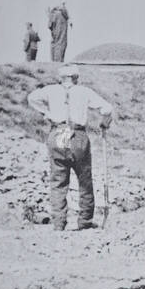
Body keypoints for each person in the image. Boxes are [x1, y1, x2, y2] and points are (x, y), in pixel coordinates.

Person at [27, 65, 114, 231]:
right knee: (84, 180)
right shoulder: (84, 91)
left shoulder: (50, 90)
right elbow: (107, 108)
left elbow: (31, 98)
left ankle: (59, 224)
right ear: (76, 77)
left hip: (57, 134)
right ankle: (85, 222)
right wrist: (104, 122)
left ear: (61, 77)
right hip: (78, 136)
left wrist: (47, 113)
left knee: (58, 181)